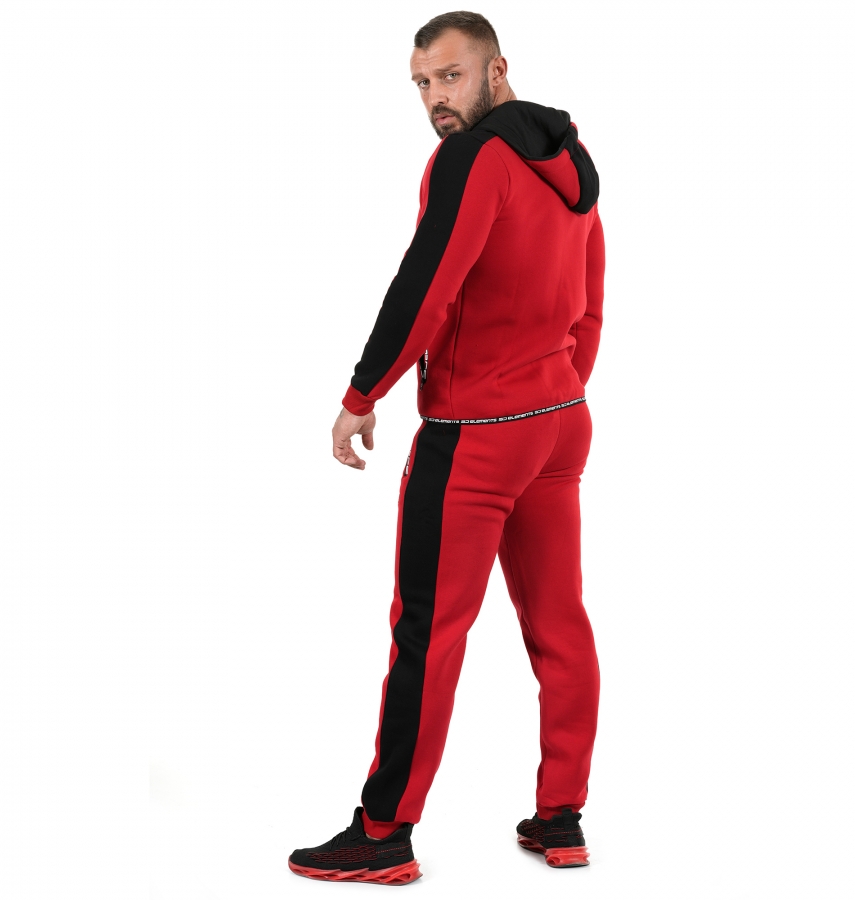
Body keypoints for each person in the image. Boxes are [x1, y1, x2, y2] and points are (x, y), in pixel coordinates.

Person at [289, 10, 605, 885]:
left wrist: (362, 394)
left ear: (498, 70)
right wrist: (556, 385)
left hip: (476, 434)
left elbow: (427, 282)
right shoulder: (572, 160)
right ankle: (561, 818)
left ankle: (383, 831)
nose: (435, 98)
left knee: (428, 632)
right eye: (422, 83)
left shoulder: (472, 158)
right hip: (559, 421)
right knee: (561, 622)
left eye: (451, 76)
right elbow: (589, 300)